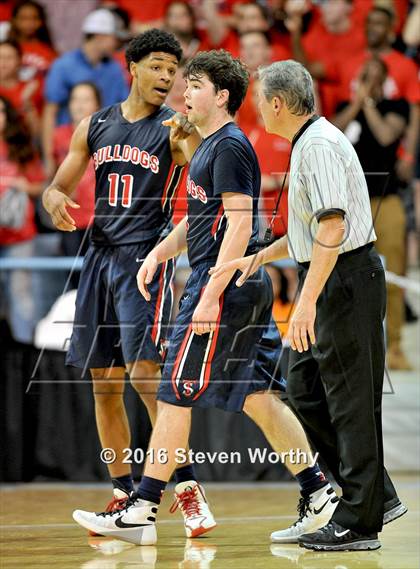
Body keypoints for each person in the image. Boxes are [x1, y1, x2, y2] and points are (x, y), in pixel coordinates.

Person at [72, 49, 339, 546]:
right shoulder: (206, 146)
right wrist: (157, 253)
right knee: (257, 396)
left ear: (220, 96)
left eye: (193, 85)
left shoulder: (231, 146)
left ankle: (143, 508)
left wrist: (211, 293)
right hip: (238, 284)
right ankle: (319, 491)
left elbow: (240, 223)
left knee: (173, 393)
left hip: (224, 286)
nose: (182, 92)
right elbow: (199, 221)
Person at [207, 60, 408, 551]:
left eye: (259, 100)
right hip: (332, 275)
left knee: (351, 402)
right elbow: (308, 229)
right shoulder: (312, 140)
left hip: (345, 280)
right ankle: (374, 495)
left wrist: (304, 302)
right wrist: (259, 256)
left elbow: (333, 229)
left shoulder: (317, 146)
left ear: (277, 103)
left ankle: (361, 522)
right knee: (303, 390)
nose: (257, 108)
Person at [42, 29, 214, 538]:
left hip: (145, 262)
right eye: (157, 66)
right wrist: (54, 201)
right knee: (103, 383)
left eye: (172, 69)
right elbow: (58, 186)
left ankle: (183, 488)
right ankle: (122, 494)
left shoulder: (174, 128)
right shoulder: (94, 125)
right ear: (132, 67)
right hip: (98, 257)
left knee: (145, 377)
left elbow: (204, 186)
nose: (166, 77)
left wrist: (190, 151)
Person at [333, 58, 412, 370]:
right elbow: (333, 131)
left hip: (387, 199)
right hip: (351, 204)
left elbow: (385, 136)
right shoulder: (344, 105)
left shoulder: (397, 106)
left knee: (393, 272)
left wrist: (366, 102)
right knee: (348, 274)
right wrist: (356, 102)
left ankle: (394, 345)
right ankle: (351, 342)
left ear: (385, 81)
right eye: (365, 76)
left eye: (376, 78)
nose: (370, 82)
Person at [42, 8, 129, 178]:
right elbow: (50, 112)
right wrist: (48, 157)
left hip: (105, 147)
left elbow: (124, 112)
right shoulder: (64, 65)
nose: (117, 43)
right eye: (113, 38)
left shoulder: (114, 68)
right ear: (100, 37)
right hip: (66, 146)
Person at [0, 94, 45, 344]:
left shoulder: (21, 146)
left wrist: (20, 185)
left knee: (21, 295)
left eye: (1, 112)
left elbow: (41, 186)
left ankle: (23, 352)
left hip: (19, 236)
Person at [52, 82, 100, 263]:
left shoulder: (106, 134)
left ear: (96, 105)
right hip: (68, 218)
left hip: (99, 218)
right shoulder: (58, 135)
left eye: (86, 100)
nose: (79, 105)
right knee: (72, 276)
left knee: (97, 278)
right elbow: (51, 172)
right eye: (75, 99)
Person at [7, 0, 56, 80]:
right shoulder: (4, 49)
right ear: (14, 20)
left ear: (42, 21)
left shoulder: (51, 52)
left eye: (35, 18)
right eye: (23, 18)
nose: (29, 23)